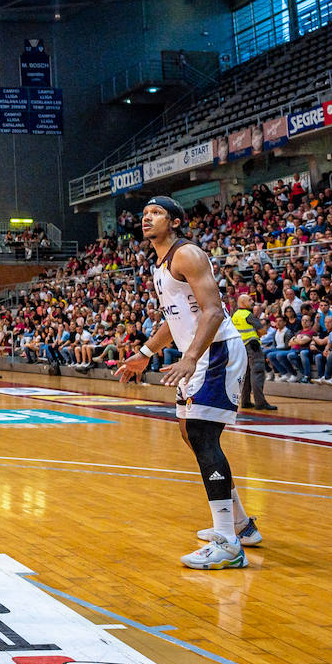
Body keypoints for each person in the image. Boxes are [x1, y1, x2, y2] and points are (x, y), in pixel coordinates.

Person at [117, 196, 258, 569]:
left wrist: (191, 357)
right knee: (188, 433)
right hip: (197, 356)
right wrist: (146, 352)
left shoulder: (188, 255)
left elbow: (213, 312)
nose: (147, 218)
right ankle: (241, 525)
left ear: (175, 222)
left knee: (201, 435)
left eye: (157, 213)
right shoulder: (159, 265)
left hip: (216, 352)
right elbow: (173, 319)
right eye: (145, 214)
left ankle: (228, 543)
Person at [230, 295, 275, 410]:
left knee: (247, 374)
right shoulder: (248, 315)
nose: (252, 302)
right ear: (243, 302)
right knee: (258, 373)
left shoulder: (235, 315)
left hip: (240, 347)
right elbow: (263, 331)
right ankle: (260, 403)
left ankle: (245, 401)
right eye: (249, 300)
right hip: (252, 345)